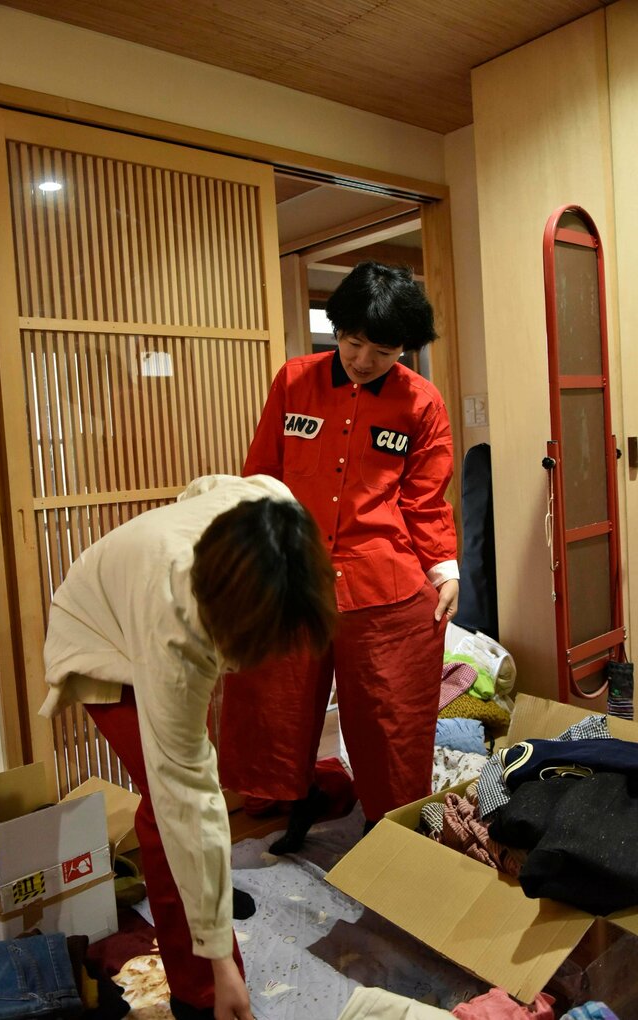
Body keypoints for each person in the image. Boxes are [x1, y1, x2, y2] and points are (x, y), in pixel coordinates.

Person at [40, 473, 337, 1020]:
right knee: (168, 806)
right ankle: (198, 991)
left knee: (195, 792)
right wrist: (220, 958)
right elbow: (185, 795)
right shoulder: (173, 632)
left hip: (154, 591)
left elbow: (205, 488)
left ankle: (207, 905)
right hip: (98, 633)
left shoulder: (273, 503)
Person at [219, 261, 460, 852]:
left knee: (389, 713)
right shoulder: (294, 380)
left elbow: (425, 498)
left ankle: (388, 827)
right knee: (275, 703)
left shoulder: (421, 402)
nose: (363, 360)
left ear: (404, 349)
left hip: (383, 579)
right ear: (337, 329)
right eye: (353, 343)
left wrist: (444, 568)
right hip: (294, 573)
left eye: (383, 351)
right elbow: (263, 474)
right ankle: (296, 799)